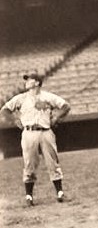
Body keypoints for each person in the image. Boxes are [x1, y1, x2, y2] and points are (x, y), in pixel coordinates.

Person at [0, 72, 71, 206]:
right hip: (29, 132)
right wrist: (14, 120)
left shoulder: (48, 96)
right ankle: (29, 197)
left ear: (37, 83)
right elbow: (4, 110)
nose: (26, 82)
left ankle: (60, 193)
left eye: (30, 80)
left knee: (52, 161)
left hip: (45, 131)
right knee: (29, 163)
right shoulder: (21, 98)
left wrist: (56, 117)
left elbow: (66, 106)